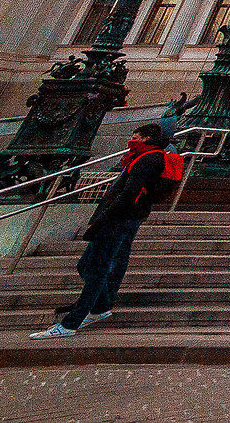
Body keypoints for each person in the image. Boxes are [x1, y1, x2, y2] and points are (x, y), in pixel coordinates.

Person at [30, 123, 181, 338]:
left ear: (146, 138)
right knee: (92, 265)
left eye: (136, 135)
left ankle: (71, 323)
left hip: (119, 218)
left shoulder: (147, 160)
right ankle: (101, 306)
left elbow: (128, 194)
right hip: (129, 217)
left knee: (96, 269)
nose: (132, 138)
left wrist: (101, 221)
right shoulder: (146, 158)